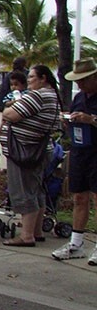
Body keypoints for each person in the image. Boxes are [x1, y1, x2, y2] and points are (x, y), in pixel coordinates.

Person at [0, 64, 61, 247]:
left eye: (32, 77)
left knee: (24, 190)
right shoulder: (53, 96)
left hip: (25, 151)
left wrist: (14, 105)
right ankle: (36, 230)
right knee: (36, 190)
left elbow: (10, 114)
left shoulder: (38, 95)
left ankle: (26, 235)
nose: (29, 81)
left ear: (43, 78)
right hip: (39, 150)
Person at [51, 58, 97, 263]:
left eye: (83, 80)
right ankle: (76, 243)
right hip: (80, 151)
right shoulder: (79, 97)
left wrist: (90, 119)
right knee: (79, 196)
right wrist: (68, 120)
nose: (80, 85)